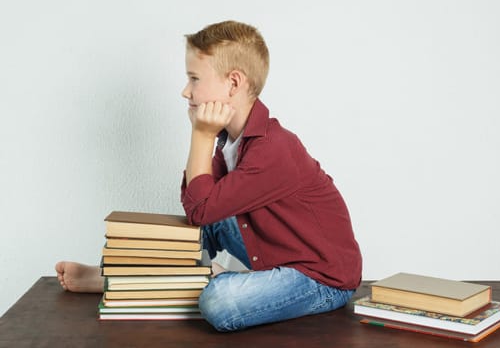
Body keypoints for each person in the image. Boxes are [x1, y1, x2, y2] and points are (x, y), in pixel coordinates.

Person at [56, 20, 362, 332]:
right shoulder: (233, 140)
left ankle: (214, 279)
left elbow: (199, 207)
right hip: (277, 251)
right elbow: (198, 208)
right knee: (210, 223)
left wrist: (200, 134)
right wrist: (207, 136)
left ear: (233, 83)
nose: (185, 90)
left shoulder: (273, 148)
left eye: (194, 78)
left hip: (322, 278)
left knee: (219, 302)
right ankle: (117, 278)